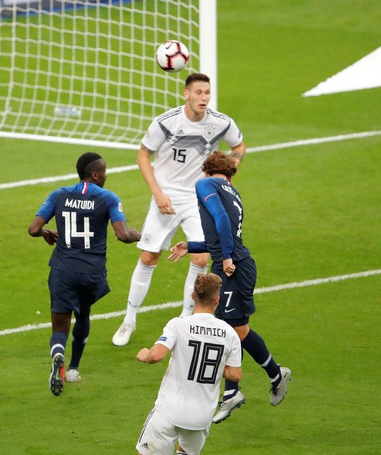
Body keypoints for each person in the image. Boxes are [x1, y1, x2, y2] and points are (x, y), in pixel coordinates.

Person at [112, 72, 246, 347]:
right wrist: (157, 193)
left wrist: (227, 174)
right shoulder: (167, 122)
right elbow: (142, 154)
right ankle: (129, 320)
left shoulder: (221, 123)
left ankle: (186, 320)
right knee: (149, 257)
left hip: (199, 199)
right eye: (198, 92)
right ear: (186, 94)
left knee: (200, 259)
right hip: (166, 198)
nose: (203, 98)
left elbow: (239, 146)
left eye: (207, 92)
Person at [169, 151, 291, 424]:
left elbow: (221, 222)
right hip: (234, 262)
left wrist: (225, 258)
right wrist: (192, 246)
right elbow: (224, 231)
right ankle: (266, 378)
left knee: (228, 328)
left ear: (207, 171)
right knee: (232, 328)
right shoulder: (233, 192)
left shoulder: (205, 184)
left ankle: (238, 390)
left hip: (232, 266)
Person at [28, 152, 140, 396]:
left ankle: (58, 353)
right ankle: (73, 369)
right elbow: (122, 235)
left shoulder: (59, 194)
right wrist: (139, 235)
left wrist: (46, 231)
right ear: (95, 174)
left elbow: (33, 229)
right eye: (105, 171)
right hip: (91, 272)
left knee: (60, 323)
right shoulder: (108, 198)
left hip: (62, 269)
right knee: (84, 313)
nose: (107, 176)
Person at [135, 273, 242, 455]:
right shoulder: (229, 333)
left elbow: (156, 356)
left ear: (193, 296)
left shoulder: (179, 324)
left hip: (170, 411)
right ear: (217, 300)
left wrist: (144, 355)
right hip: (201, 416)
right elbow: (235, 375)